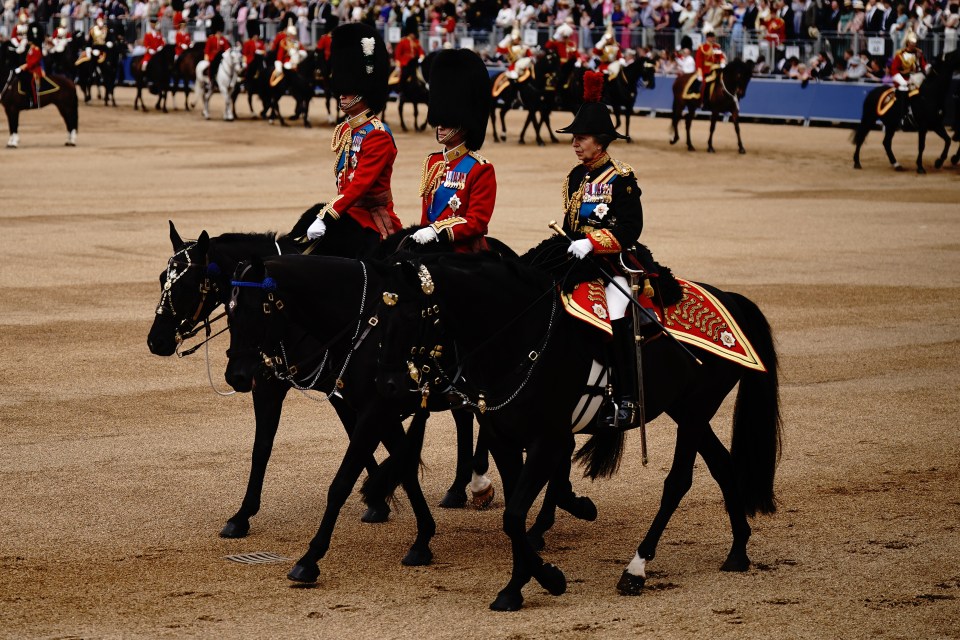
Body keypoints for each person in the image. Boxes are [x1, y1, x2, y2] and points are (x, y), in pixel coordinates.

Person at [555, 70, 644, 431]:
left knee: (616, 316)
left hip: (614, 264)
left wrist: (593, 242)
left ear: (601, 141)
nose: (576, 144)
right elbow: (570, 220)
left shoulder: (621, 178)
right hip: (579, 261)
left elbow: (630, 228)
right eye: (574, 138)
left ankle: (627, 396)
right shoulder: (576, 176)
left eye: (582, 138)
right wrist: (570, 242)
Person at [306, 23, 402, 251]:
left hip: (373, 221)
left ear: (363, 92)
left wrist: (329, 214)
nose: (342, 96)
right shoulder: (349, 130)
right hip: (348, 213)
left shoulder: (377, 135)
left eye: (347, 91)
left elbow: (359, 185)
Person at [413, 48, 495, 253]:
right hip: (429, 246)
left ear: (464, 125)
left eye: (448, 123)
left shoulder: (480, 169)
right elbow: (427, 214)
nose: (440, 127)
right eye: (439, 121)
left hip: (460, 252)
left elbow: (476, 221)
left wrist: (437, 231)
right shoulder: (432, 163)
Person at [890, 32, 930, 124]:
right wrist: (903, 81)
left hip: (916, 79)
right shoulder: (900, 54)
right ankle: (903, 116)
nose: (913, 45)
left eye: (914, 43)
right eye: (911, 43)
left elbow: (923, 66)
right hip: (903, 79)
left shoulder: (918, 53)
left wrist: (927, 66)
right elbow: (894, 70)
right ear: (907, 43)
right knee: (903, 90)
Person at [693, 24, 727, 104]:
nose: (712, 38)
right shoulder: (702, 47)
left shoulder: (717, 47)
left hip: (716, 69)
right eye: (710, 37)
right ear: (707, 37)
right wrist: (700, 73)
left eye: (713, 36)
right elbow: (698, 61)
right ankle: (704, 101)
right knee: (705, 83)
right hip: (706, 70)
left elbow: (721, 56)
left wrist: (722, 62)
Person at [15, 25, 45, 109]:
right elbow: (28, 60)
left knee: (30, 82)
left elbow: (33, 62)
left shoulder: (36, 49)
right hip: (30, 69)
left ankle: (33, 101)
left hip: (35, 70)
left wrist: (24, 66)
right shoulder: (31, 49)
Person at [204, 14, 231, 79]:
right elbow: (207, 50)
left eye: (220, 31)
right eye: (218, 31)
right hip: (212, 58)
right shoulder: (211, 39)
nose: (219, 33)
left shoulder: (223, 39)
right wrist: (206, 59)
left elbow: (227, 49)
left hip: (221, 58)